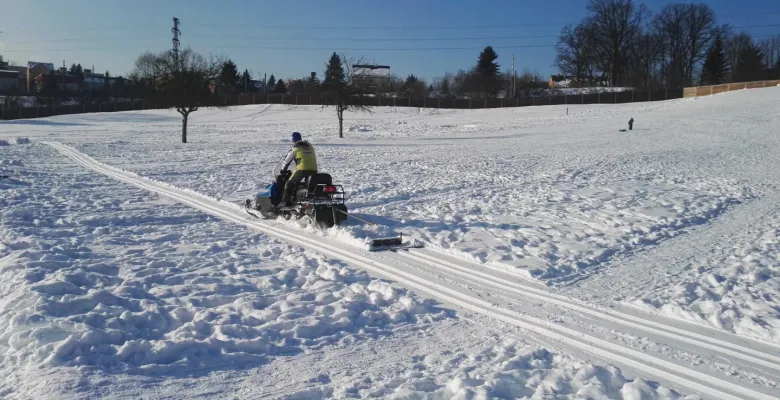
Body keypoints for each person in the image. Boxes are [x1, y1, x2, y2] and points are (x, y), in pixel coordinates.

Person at [279, 131, 318, 206]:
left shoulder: (295, 148)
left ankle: (285, 202)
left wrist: (282, 170)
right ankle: (304, 199)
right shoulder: (309, 145)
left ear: (293, 140)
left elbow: (286, 161)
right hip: (314, 168)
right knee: (308, 185)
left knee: (289, 183)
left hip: (302, 168)